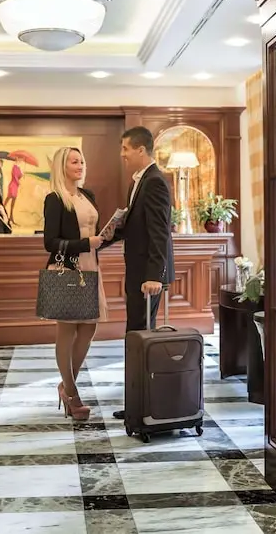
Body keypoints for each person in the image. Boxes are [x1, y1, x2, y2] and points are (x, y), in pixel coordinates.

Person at [102, 126, 175, 420]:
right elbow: (138, 226)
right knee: (136, 335)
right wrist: (107, 236)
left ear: (141, 150)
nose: (122, 154)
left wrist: (155, 275)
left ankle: (143, 403)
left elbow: (159, 232)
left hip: (148, 277)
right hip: (138, 273)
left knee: (141, 336)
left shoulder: (154, 182)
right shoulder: (139, 181)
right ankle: (138, 400)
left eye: (125, 149)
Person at [41, 146, 108, 421]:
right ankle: (71, 392)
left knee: (89, 328)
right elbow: (50, 242)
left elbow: (94, 236)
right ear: (62, 166)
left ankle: (66, 385)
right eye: (74, 161)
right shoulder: (55, 198)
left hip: (91, 266)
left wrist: (110, 234)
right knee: (67, 331)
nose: (80, 165)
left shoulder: (87, 195)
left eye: (82, 161)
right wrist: (84, 243)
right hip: (67, 269)